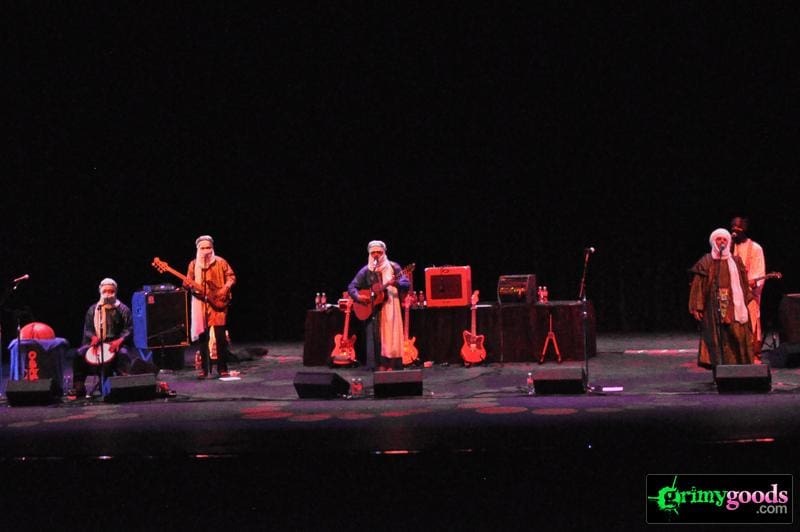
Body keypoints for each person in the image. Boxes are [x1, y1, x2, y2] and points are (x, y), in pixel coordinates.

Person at [688, 228, 755, 369]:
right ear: (713, 241)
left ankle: (741, 368)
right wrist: (697, 306)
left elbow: (743, 283)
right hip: (714, 306)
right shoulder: (707, 260)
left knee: (738, 335)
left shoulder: (736, 261)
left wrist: (747, 298)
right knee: (719, 337)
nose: (722, 242)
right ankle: (721, 369)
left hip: (735, 305)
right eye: (718, 239)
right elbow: (698, 285)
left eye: (725, 239)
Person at [347, 240, 410, 370]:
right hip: (373, 309)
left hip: (391, 305)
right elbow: (352, 287)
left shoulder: (394, 267)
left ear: (384, 253)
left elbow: (406, 283)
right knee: (376, 338)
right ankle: (378, 365)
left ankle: (392, 364)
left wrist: (396, 283)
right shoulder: (366, 270)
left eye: (379, 252)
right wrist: (358, 297)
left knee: (391, 336)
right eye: (373, 252)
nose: (376, 255)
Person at [71, 278, 134, 397]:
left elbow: (129, 329)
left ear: (115, 292)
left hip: (116, 343)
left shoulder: (123, 309)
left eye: (111, 291)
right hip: (97, 342)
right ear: (100, 292)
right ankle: (78, 386)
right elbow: (88, 329)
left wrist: (119, 341)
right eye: (105, 291)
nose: (108, 294)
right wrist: (93, 337)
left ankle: (124, 384)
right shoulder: (93, 309)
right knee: (79, 353)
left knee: (124, 354)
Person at [185, 235, 236, 378]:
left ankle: (222, 368)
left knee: (220, 337)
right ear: (198, 249)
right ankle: (204, 369)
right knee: (203, 338)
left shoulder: (221, 262)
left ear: (212, 248)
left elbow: (231, 277)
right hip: (200, 303)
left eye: (208, 248)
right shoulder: (193, 265)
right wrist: (187, 285)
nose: (206, 251)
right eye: (203, 248)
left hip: (218, 303)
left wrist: (225, 288)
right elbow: (188, 282)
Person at [730, 216, 766, 356]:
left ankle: (752, 349)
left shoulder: (755, 248)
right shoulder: (728, 248)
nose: (735, 230)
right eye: (733, 227)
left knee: (751, 317)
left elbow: (759, 271)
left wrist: (750, 285)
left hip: (749, 292)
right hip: (731, 292)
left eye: (738, 227)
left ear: (744, 229)